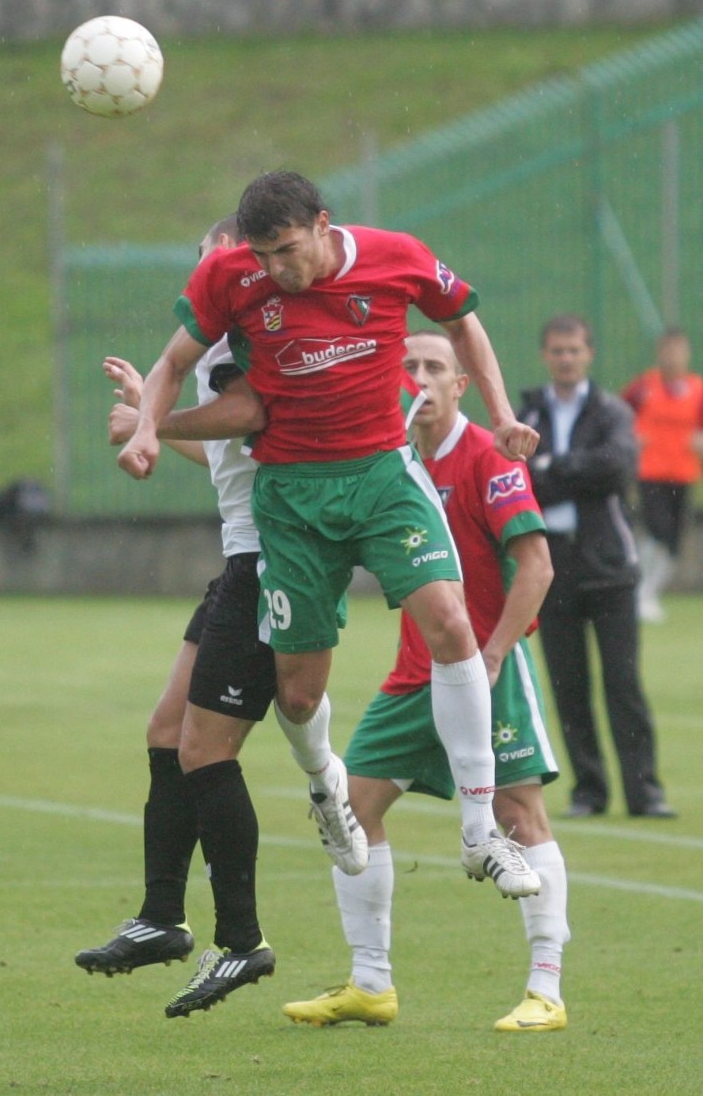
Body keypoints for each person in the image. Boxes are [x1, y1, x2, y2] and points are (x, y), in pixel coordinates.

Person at [117, 171, 542, 913]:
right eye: (264, 255)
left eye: (287, 250)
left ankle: (479, 831)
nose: (278, 270)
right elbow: (174, 363)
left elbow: (463, 319)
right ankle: (326, 786)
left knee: (450, 620)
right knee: (299, 689)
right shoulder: (231, 275)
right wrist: (150, 426)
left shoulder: (396, 256)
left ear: (321, 223)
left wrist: (501, 411)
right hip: (292, 496)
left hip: (381, 474)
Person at [282, 332, 570, 1033]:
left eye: (434, 367)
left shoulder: (487, 459)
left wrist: (495, 652)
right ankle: (370, 983)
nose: (419, 378)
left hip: (485, 671)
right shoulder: (390, 460)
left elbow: (536, 567)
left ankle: (546, 989)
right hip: (414, 678)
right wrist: (158, 423)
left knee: (520, 814)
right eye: (406, 368)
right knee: (351, 811)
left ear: (462, 383)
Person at [74, 216, 280, 1020]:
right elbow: (231, 449)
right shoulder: (215, 346)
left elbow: (253, 420)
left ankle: (242, 941)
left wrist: (152, 423)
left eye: (223, 265)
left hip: (273, 563)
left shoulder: (242, 347)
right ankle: (163, 917)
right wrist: (148, 412)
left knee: (206, 747)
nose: (210, 282)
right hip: (241, 562)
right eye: (203, 266)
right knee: (168, 732)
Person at [518, 314, 676, 819]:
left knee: (623, 683)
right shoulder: (530, 412)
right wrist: (560, 472)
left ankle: (644, 792)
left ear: (589, 354)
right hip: (550, 565)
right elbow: (519, 475)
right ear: (546, 355)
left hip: (608, 564)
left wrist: (551, 467)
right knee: (568, 685)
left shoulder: (611, 410)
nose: (566, 358)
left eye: (575, 350)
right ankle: (589, 791)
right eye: (557, 350)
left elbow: (615, 468)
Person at [620, 328, 703, 623]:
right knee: (657, 530)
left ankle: (649, 592)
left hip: (683, 473)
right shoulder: (644, 387)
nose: (673, 357)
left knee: (673, 541)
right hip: (651, 472)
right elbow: (618, 418)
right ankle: (639, 591)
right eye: (668, 350)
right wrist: (632, 439)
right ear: (659, 354)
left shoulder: (697, 390)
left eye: (678, 350)